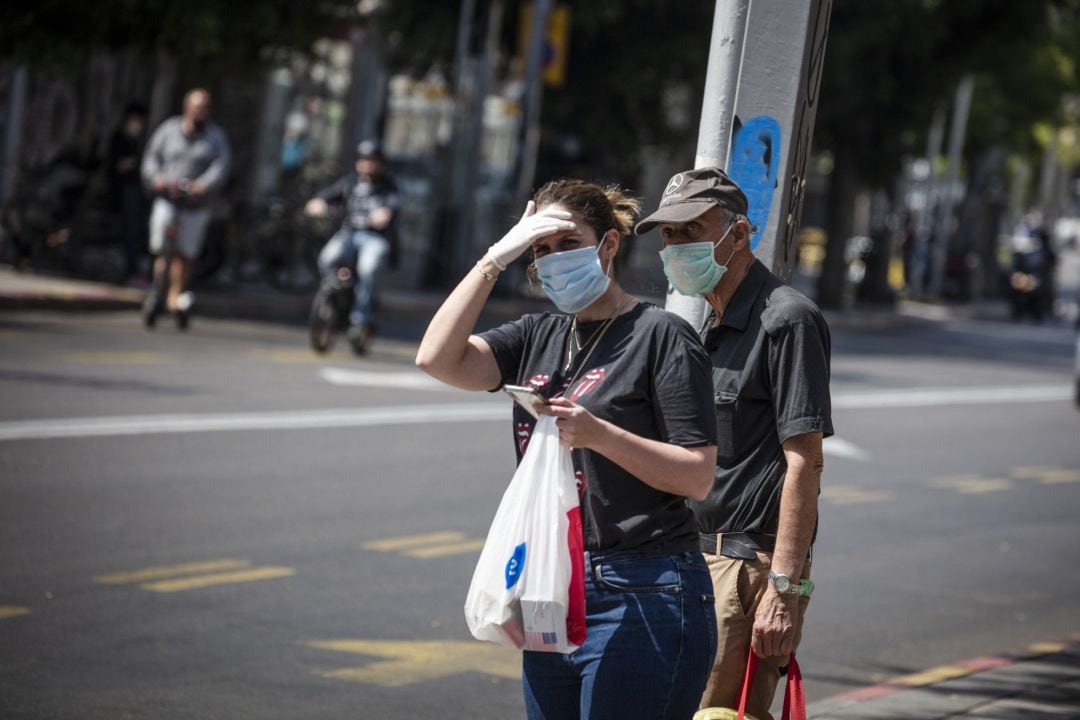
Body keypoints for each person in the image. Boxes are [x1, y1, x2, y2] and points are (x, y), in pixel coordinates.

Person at [416, 179, 720, 719]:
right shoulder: (538, 334)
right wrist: (495, 257)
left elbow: (696, 475)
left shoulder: (662, 336)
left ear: (608, 245)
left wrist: (600, 434)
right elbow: (437, 359)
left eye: (568, 243)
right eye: (541, 250)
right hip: (554, 584)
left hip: (645, 588)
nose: (554, 260)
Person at [635, 167, 833, 720]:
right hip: (690, 560)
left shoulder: (786, 319)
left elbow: (805, 462)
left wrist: (784, 590)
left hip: (742, 571)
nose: (674, 247)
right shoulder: (709, 323)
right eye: (668, 236)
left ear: (738, 234)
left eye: (690, 231)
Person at [140, 88, 232, 329]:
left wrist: (203, 185)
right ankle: (157, 291)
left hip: (195, 206)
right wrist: (156, 178)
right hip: (168, 200)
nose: (203, 112)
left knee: (186, 253)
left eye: (206, 108)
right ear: (187, 107)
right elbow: (151, 158)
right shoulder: (169, 130)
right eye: (198, 107)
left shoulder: (215, 136)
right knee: (163, 249)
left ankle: (176, 295)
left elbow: (221, 166)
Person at [304, 140, 400, 353]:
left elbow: (392, 206)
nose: (368, 165)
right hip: (348, 234)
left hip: (373, 238)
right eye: (364, 160)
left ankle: (360, 317)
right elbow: (327, 196)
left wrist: (384, 214)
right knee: (327, 258)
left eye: (373, 161)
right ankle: (332, 295)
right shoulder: (350, 183)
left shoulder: (387, 187)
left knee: (368, 268)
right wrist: (318, 203)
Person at [107, 103, 149, 283]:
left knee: (136, 232)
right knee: (129, 232)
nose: (138, 124)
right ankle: (130, 271)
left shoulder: (135, 141)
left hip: (135, 192)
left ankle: (134, 270)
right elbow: (117, 166)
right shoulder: (119, 139)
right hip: (122, 192)